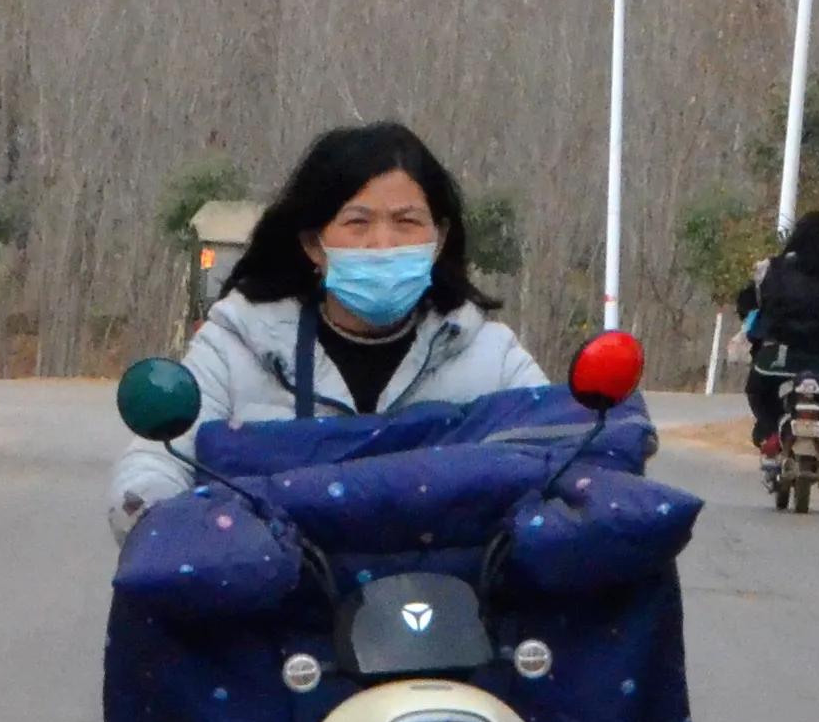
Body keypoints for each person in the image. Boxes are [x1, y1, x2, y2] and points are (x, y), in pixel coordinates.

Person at [110, 121, 550, 536]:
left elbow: (561, 452)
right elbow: (157, 463)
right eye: (358, 223)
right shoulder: (235, 347)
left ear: (439, 239)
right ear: (312, 244)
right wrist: (161, 524)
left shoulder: (492, 356)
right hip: (277, 607)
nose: (383, 244)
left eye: (407, 222)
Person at [734, 210, 819, 431]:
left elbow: (747, 303)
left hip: (777, 357)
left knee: (758, 391)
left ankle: (772, 430)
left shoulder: (771, 270)